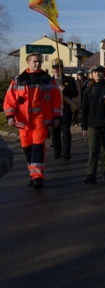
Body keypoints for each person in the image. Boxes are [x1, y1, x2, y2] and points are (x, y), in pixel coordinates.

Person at [3, 53, 61, 188]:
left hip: (40, 119)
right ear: (28, 63)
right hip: (23, 121)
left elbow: (56, 100)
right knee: (27, 149)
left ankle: (38, 177)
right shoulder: (18, 80)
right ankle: (33, 174)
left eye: (39, 61)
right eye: (35, 61)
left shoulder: (47, 80)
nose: (38, 64)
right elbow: (9, 100)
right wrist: (10, 116)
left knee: (37, 148)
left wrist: (57, 117)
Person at [81, 65, 105, 184]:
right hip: (92, 124)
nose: (97, 74)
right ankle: (91, 174)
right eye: (95, 72)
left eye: (100, 72)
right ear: (92, 75)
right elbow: (84, 109)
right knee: (93, 149)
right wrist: (83, 126)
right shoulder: (88, 90)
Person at [50, 59, 78, 161]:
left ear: (62, 68)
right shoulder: (49, 81)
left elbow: (75, 93)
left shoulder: (69, 80)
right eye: (54, 68)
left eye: (58, 67)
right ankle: (57, 152)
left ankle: (66, 153)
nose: (56, 70)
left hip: (65, 109)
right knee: (55, 133)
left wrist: (65, 90)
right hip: (53, 110)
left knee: (66, 132)